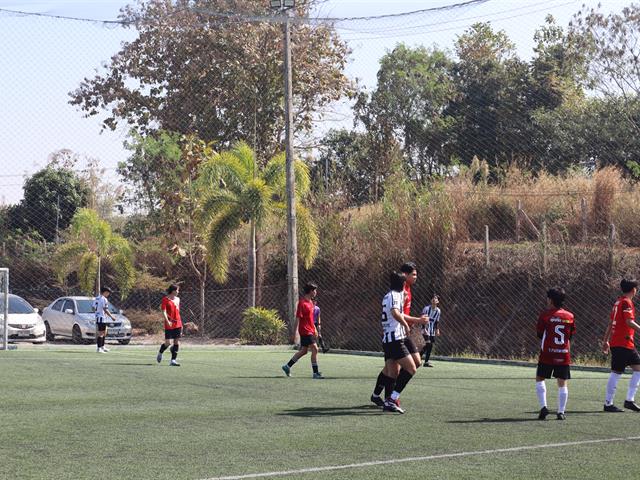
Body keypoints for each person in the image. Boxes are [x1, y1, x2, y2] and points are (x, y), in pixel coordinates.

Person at [371, 262, 426, 407]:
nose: (416, 277)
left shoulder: (402, 291)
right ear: (404, 276)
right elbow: (396, 313)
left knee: (408, 364)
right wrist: (411, 321)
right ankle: (389, 397)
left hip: (399, 332)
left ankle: (387, 397)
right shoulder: (398, 293)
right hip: (396, 333)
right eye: (413, 274)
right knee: (395, 369)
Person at [378, 271, 420, 414]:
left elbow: (395, 313)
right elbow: (396, 313)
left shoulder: (387, 295)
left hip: (388, 339)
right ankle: (392, 399)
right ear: (403, 284)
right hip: (395, 339)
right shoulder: (396, 295)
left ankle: (387, 400)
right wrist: (405, 324)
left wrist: (415, 320)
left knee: (393, 372)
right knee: (411, 368)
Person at [535, 287, 575, 421]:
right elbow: (570, 336)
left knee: (540, 378)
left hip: (547, 353)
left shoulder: (545, 315)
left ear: (550, 300)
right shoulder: (570, 316)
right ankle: (561, 412)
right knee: (562, 383)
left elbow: (540, 334)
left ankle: (543, 407)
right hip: (563, 354)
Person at [602, 278, 640, 412]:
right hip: (622, 342)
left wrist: (605, 340)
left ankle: (629, 400)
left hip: (624, 343)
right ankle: (608, 403)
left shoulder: (618, 302)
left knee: (638, 368)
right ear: (634, 290)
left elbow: (610, 322)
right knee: (616, 372)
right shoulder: (626, 303)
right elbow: (629, 321)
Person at [282, 283, 323, 379]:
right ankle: (315, 373)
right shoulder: (302, 303)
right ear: (310, 291)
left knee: (304, 351)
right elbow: (297, 319)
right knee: (315, 349)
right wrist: (294, 333)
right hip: (304, 331)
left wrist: (315, 330)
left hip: (310, 330)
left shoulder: (311, 303)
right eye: (314, 290)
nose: (316, 292)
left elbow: (311, 319)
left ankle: (287, 366)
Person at [157, 284, 183, 366]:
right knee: (167, 343)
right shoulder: (165, 299)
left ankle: (173, 360)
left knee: (176, 342)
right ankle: (160, 352)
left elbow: (177, 311)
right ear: (173, 291)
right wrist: (167, 320)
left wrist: (180, 324)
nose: (178, 292)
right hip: (169, 323)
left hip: (178, 322)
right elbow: (164, 311)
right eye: (177, 290)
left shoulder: (178, 299)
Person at [94, 287, 116, 353]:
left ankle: (102, 346)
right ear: (105, 292)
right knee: (101, 333)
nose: (108, 294)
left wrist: (97, 312)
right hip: (101, 318)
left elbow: (93, 308)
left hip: (98, 317)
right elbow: (105, 309)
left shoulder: (97, 298)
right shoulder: (104, 299)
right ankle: (99, 348)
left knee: (104, 332)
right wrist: (112, 317)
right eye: (108, 293)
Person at [421, 295, 441, 367]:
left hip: (432, 331)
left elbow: (436, 322)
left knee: (430, 345)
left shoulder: (438, 311)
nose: (434, 299)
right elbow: (422, 319)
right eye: (432, 298)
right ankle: (418, 357)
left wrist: (437, 330)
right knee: (428, 344)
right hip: (425, 329)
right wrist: (423, 328)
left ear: (438, 301)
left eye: (435, 299)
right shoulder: (426, 309)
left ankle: (425, 361)